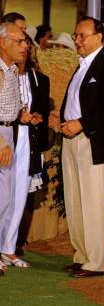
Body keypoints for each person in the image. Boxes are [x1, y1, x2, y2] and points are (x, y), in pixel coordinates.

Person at [48, 16, 104, 278]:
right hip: (70, 138)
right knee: (74, 200)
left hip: (92, 141)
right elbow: (77, 101)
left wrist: (82, 124)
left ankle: (94, 262)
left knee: (91, 201)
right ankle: (80, 255)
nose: (77, 40)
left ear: (99, 37)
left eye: (82, 35)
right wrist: (61, 118)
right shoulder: (81, 66)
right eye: (76, 35)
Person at [1, 35, 50, 269]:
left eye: (26, 43)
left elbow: (21, 108)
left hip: (22, 140)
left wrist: (30, 117)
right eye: (19, 41)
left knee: (15, 195)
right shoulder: (4, 72)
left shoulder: (34, 78)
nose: (25, 47)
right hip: (7, 136)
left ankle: (7, 248)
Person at [0, 22, 28, 277]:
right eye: (19, 41)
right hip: (1, 134)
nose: (25, 45)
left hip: (9, 131)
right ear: (3, 42)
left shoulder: (11, 70)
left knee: (6, 198)